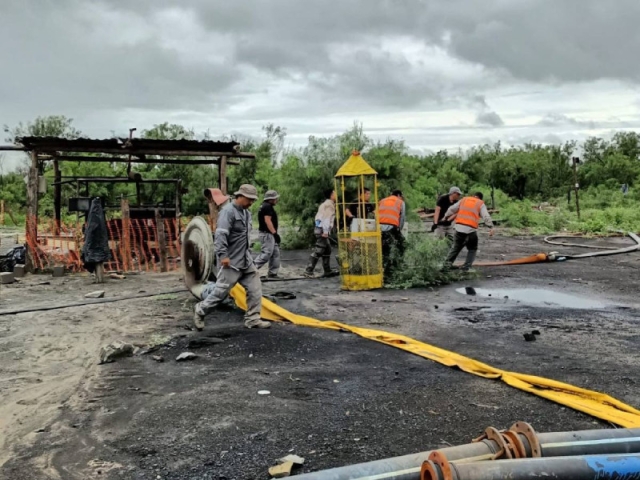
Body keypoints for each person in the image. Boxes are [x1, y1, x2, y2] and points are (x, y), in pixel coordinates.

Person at [194, 184, 271, 330]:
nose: (251, 203)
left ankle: (253, 319)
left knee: (255, 288)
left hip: (245, 260)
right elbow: (220, 235)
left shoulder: (246, 213)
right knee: (220, 293)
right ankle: (200, 310)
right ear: (240, 196)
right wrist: (223, 255)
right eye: (249, 199)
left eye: (253, 200)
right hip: (231, 262)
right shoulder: (227, 212)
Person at [443, 192, 494, 272]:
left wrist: (446, 216)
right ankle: (466, 267)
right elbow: (485, 216)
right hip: (470, 230)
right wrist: (490, 226)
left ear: (473, 196)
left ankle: (446, 266)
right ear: (480, 198)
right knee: (472, 248)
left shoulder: (464, 200)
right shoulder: (480, 203)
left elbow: (451, 209)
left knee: (455, 247)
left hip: (459, 228)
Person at [304, 189, 337, 278]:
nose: (336, 194)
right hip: (322, 230)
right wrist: (325, 231)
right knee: (319, 250)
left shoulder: (325, 204)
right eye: (335, 193)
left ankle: (327, 270)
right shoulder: (329, 205)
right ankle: (308, 270)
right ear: (331, 195)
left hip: (319, 228)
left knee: (327, 250)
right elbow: (326, 218)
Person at [378, 189, 406, 278]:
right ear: (398, 195)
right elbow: (402, 218)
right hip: (391, 227)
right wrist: (399, 230)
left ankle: (383, 268)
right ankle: (396, 265)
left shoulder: (382, 201)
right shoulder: (400, 202)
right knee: (402, 244)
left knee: (383, 248)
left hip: (379, 227)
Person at [254, 190, 281, 279]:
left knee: (275, 253)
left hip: (269, 234)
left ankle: (273, 273)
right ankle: (251, 270)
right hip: (267, 234)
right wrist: (274, 233)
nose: (276, 200)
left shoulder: (265, 206)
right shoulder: (267, 207)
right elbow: (268, 221)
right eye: (275, 198)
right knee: (266, 254)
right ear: (270, 199)